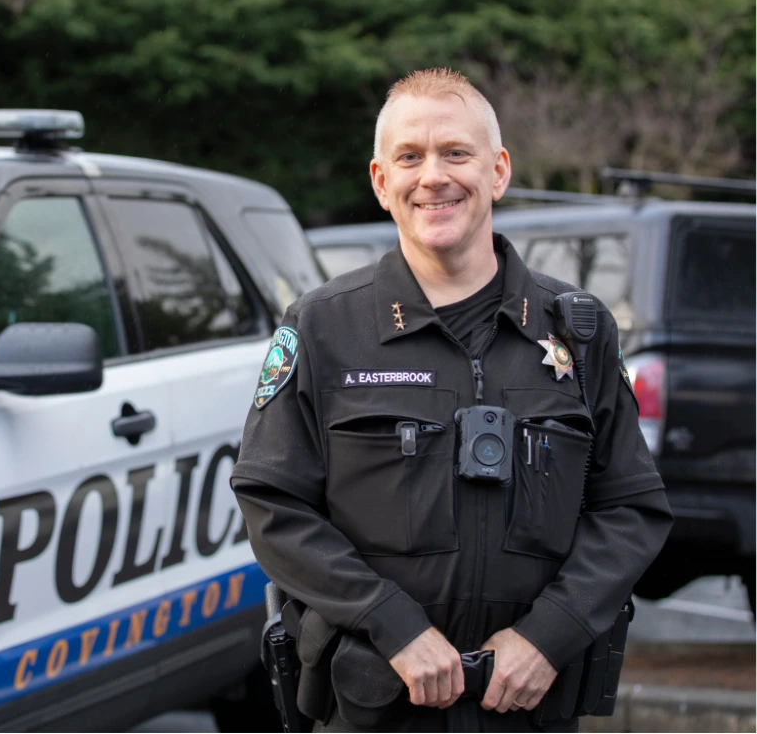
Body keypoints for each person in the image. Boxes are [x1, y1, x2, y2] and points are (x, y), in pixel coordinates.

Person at [232, 68, 672, 733]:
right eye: (409, 157)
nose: (432, 176)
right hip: (376, 703)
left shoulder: (577, 331)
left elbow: (631, 507)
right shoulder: (321, 327)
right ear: (382, 182)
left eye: (455, 153)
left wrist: (548, 636)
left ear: (497, 172)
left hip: (529, 706)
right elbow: (273, 503)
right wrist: (395, 626)